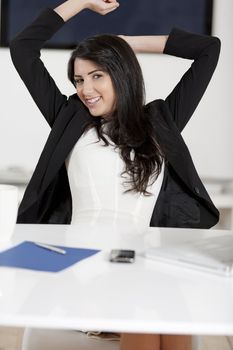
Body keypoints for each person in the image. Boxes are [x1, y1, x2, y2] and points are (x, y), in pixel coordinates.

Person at [10, 0, 221, 349]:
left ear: (121, 73)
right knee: (152, 315)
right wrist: (80, 3)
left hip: (142, 261)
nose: (86, 90)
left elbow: (208, 50)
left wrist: (126, 43)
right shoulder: (69, 120)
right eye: (79, 79)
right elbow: (23, 48)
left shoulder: (161, 122)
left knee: (174, 318)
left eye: (97, 76)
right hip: (87, 267)